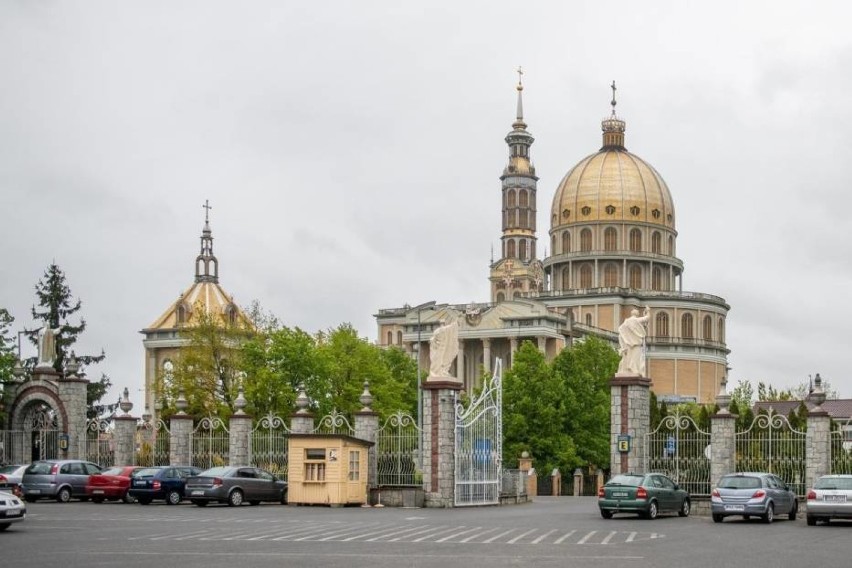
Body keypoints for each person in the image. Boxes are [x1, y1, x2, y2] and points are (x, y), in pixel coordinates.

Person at [617, 306, 651, 376]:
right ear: (636, 314)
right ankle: (633, 369)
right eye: (638, 312)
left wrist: (624, 343)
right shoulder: (636, 320)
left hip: (628, 344)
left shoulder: (626, 322)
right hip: (636, 343)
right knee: (636, 358)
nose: (639, 313)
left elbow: (620, 330)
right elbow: (647, 318)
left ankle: (629, 369)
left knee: (628, 358)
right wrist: (648, 311)